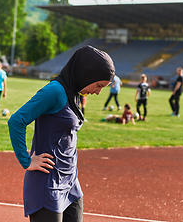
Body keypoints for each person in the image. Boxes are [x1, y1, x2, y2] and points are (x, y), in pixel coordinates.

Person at [8, 45, 115, 222]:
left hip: (70, 182)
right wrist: (26, 161)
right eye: (99, 85)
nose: (98, 92)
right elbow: (16, 121)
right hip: (48, 184)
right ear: (87, 74)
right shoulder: (55, 91)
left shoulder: (74, 93)